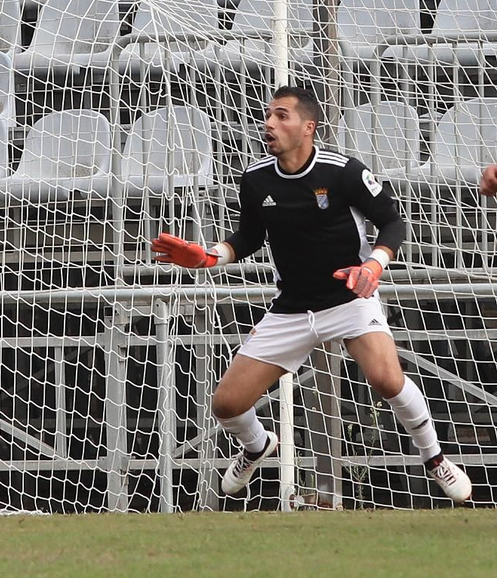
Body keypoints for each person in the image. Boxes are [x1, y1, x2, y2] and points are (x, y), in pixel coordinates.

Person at [151, 85, 471, 503]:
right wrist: (208, 257)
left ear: (308, 127)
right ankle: (256, 446)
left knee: (386, 379)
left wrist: (373, 266)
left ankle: (435, 458)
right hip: (292, 309)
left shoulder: (343, 172)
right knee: (227, 404)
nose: (269, 123)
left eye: (282, 115)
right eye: (268, 115)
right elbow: (248, 237)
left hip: (348, 299)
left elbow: (393, 223)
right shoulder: (255, 179)